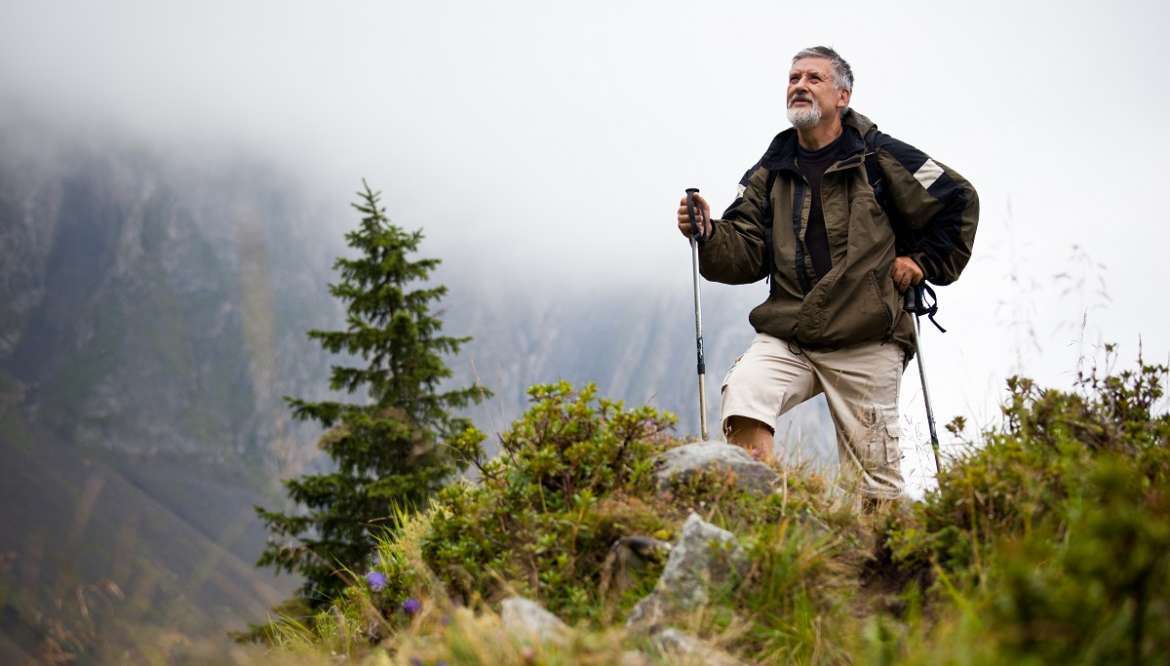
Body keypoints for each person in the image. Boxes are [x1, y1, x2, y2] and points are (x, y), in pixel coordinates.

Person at [675, 46, 978, 501]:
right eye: (793, 77)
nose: (799, 85)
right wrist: (709, 232)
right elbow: (746, 250)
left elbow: (959, 198)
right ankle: (771, 515)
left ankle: (875, 562)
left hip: (868, 338)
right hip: (791, 333)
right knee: (744, 393)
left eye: (813, 78)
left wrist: (923, 262)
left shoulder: (883, 156)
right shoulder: (770, 170)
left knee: (876, 491)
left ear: (843, 96)